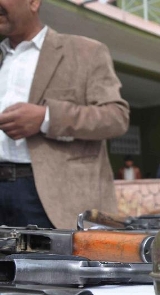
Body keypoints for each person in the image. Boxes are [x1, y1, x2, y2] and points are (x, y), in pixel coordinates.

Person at [0, 0, 129, 229]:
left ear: (33, 2)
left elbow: (116, 117)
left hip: (52, 200)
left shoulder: (86, 52)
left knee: (52, 266)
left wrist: (47, 118)